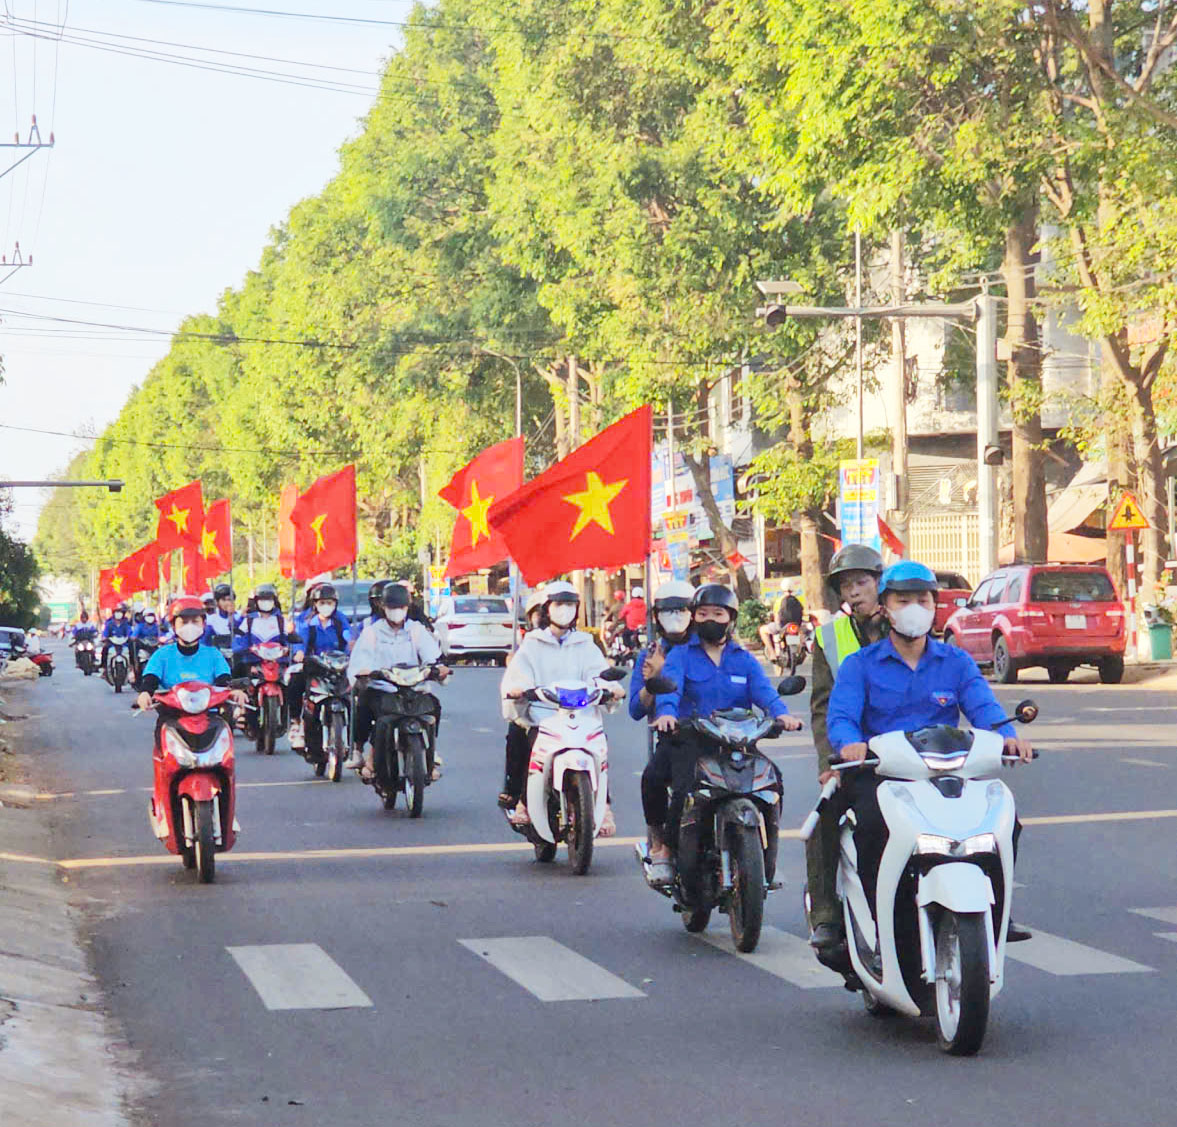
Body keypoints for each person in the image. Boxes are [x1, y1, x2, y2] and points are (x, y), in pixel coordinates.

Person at [826, 561, 1034, 947]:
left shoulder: (955, 661)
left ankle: (997, 912)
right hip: (883, 776)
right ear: (885, 608)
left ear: (934, 606)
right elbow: (841, 718)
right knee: (867, 827)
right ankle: (869, 921)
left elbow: (984, 708)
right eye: (903, 600)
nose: (914, 607)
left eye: (922, 599)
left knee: (1004, 819)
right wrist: (849, 745)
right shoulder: (860, 665)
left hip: (946, 775)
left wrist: (1007, 736)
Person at [649, 584, 803, 883]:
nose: (710, 619)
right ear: (693, 617)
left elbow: (764, 692)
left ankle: (764, 855)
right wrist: (667, 712)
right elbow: (671, 686)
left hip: (738, 739)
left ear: (730, 618)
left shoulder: (743, 659)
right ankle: (666, 849)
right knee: (681, 788)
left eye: (717, 613)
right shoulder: (681, 655)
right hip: (692, 739)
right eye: (703, 613)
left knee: (773, 782)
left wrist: (782, 715)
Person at [805, 544, 887, 954]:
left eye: (861, 582)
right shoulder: (829, 637)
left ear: (880, 582)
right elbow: (822, 708)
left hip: (910, 753)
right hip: (853, 755)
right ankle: (825, 915)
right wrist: (829, 763)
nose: (854, 592)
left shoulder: (911, 625)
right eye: (846, 586)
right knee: (823, 821)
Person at [500, 580, 624, 834]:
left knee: (599, 747)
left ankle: (605, 804)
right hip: (544, 715)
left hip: (581, 715)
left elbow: (598, 674)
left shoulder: (585, 644)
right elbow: (519, 675)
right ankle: (525, 801)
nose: (564, 610)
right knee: (532, 744)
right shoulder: (532, 645)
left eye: (569, 604)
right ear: (547, 609)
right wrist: (519, 690)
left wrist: (611, 689)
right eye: (559, 604)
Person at [347, 582, 449, 775]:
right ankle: (358, 750)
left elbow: (431, 655)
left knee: (433, 706)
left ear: (407, 608)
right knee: (365, 708)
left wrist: (438, 668)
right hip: (383, 687)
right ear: (383, 608)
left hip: (414, 687)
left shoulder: (417, 630)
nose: (397, 612)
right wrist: (364, 672)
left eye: (401, 608)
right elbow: (361, 658)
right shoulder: (372, 632)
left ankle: (429, 752)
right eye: (392, 608)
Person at [632, 581, 695, 880]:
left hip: (721, 734)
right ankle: (660, 843)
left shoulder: (707, 647)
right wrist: (653, 681)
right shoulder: (650, 654)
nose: (675, 616)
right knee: (654, 779)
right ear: (656, 616)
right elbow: (636, 709)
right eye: (668, 611)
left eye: (681, 609)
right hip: (675, 736)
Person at [136, 597, 247, 733]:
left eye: (195, 621)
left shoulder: (214, 654)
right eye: (184, 622)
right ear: (173, 625)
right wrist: (145, 693)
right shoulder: (162, 654)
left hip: (210, 719)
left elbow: (224, 681)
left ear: (204, 624)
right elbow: (150, 679)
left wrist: (233, 691)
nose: (190, 626)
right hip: (171, 719)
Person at [294, 583, 352, 755]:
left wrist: (354, 648)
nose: (326, 606)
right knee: (295, 682)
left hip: (339, 667)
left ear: (335, 604)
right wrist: (299, 652)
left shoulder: (341, 620)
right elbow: (301, 641)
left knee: (358, 695)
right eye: (322, 603)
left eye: (330, 603)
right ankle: (297, 724)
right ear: (315, 604)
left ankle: (355, 744)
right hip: (316, 666)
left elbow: (348, 638)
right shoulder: (308, 623)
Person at [232, 582, 296, 735]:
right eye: (262, 599)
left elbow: (290, 639)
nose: (266, 602)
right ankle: (243, 714)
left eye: (269, 599)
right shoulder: (249, 621)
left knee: (291, 688)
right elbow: (239, 640)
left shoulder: (282, 621)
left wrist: (290, 647)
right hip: (254, 663)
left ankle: (291, 720)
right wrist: (242, 649)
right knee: (246, 687)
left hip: (278, 664)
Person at [203, 584, 240, 655]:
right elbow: (205, 642)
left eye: (230, 599)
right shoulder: (211, 620)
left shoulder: (240, 617)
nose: (227, 603)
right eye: (223, 600)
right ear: (217, 602)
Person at [100, 603, 133, 676]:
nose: (118, 614)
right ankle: (104, 668)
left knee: (132, 649)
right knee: (104, 649)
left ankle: (132, 667)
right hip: (112, 644)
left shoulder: (126, 623)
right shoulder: (109, 624)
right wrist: (104, 638)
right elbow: (105, 633)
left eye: (120, 612)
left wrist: (131, 637)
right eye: (117, 612)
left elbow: (129, 632)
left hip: (124, 644)